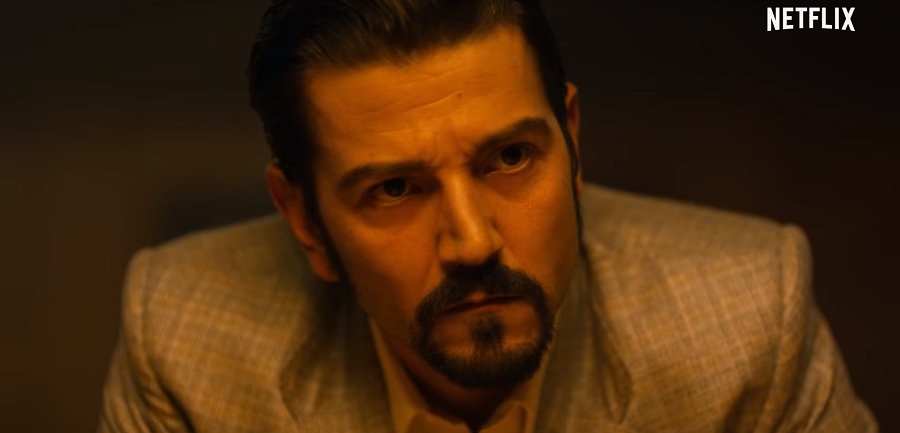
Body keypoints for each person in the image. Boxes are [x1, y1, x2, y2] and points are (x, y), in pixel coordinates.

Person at [98, 0, 877, 432]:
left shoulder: (746, 323)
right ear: (305, 221)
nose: (472, 242)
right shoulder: (185, 341)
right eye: (394, 190)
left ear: (571, 142)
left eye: (509, 157)